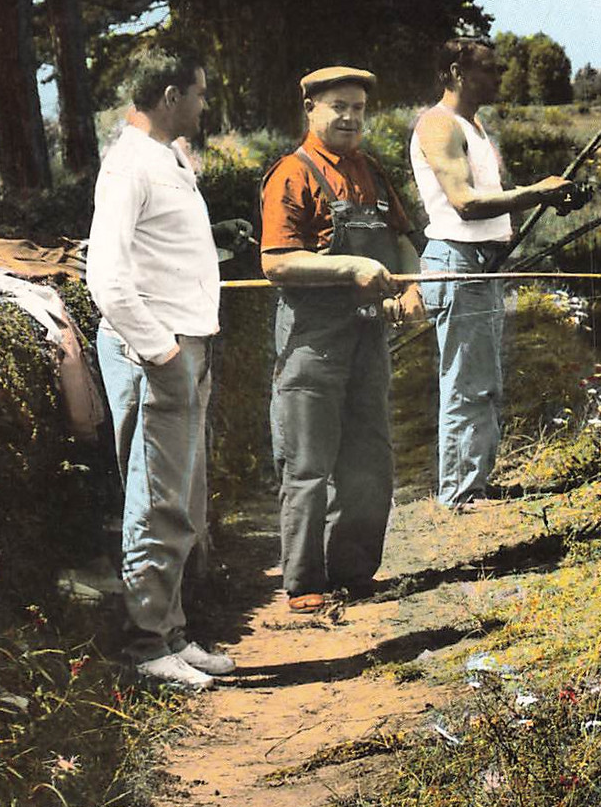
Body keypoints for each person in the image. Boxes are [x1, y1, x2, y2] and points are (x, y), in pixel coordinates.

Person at [86, 51, 244, 689]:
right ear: (172, 94)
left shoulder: (165, 155)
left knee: (181, 501)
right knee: (155, 503)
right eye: (200, 94)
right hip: (158, 352)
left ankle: (172, 634)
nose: (205, 107)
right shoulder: (128, 164)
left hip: (186, 343)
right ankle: (146, 647)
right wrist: (164, 353)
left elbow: (163, 248)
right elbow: (107, 280)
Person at [261, 67, 424, 612]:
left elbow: (402, 241)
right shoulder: (292, 173)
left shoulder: (371, 172)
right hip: (312, 338)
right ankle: (305, 583)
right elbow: (277, 264)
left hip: (367, 333)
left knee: (368, 458)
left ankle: (354, 572)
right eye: (339, 106)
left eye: (358, 107)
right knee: (307, 463)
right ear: (310, 109)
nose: (351, 117)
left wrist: (411, 286)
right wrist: (351, 265)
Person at [410, 37, 574, 509]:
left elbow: (489, 199)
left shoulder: (473, 124)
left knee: (482, 380)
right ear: (458, 72)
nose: (499, 78)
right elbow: (464, 203)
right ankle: (459, 494)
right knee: (465, 380)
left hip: (481, 262)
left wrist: (549, 197)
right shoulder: (439, 125)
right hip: (457, 261)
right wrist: (537, 192)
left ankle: (473, 482)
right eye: (490, 69)